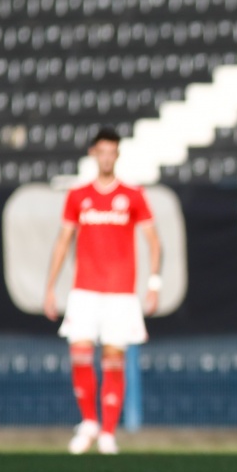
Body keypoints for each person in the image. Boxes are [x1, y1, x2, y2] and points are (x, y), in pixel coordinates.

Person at [44, 128, 161, 455]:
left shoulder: (133, 195)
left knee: (113, 358)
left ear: (118, 155)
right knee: (79, 353)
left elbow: (154, 242)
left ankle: (108, 431)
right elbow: (63, 240)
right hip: (85, 290)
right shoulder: (78, 196)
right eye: (102, 151)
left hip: (121, 292)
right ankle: (89, 423)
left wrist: (153, 284)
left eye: (112, 152)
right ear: (94, 153)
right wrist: (50, 287)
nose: (107, 157)